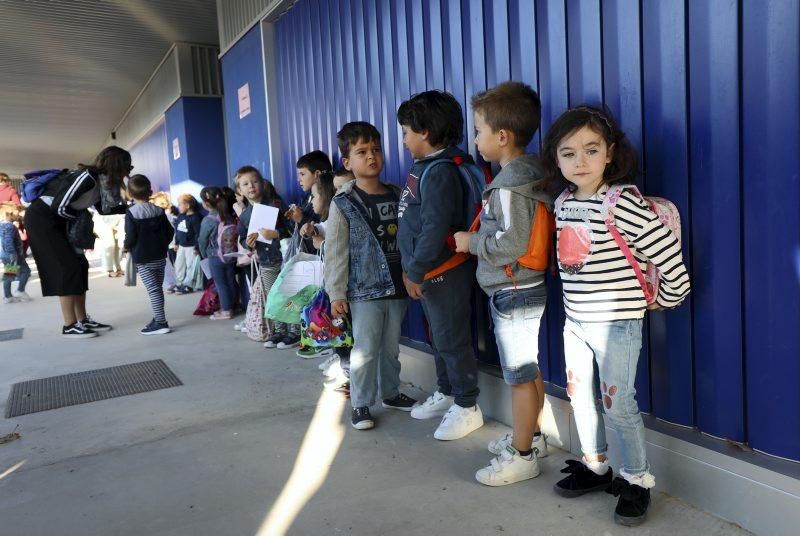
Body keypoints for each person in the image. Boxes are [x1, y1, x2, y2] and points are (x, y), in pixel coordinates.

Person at [542, 106, 691, 525]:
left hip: (618, 324)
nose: (581, 161)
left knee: (617, 404)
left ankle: (637, 479)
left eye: (591, 150)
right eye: (569, 153)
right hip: (575, 321)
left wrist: (674, 294)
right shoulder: (563, 202)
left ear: (610, 153)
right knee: (579, 395)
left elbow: (665, 251)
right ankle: (595, 466)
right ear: (556, 159)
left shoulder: (622, 202)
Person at [452, 81, 551, 485]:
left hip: (513, 291)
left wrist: (470, 242)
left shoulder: (510, 184)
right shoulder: (524, 176)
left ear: (502, 136)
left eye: (479, 131)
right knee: (528, 371)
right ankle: (535, 437)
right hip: (520, 289)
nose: (476, 140)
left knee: (519, 375)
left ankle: (522, 455)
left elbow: (512, 242)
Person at [396, 90, 483, 440]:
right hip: (429, 273)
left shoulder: (440, 172)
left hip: (444, 272)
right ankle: (447, 391)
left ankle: (466, 405)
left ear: (425, 133)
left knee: (451, 339)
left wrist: (414, 271)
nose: (403, 140)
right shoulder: (427, 168)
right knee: (439, 337)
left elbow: (434, 228)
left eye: (405, 132)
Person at [325, 122, 417, 430]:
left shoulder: (397, 194)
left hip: (397, 285)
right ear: (347, 162)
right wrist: (336, 293)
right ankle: (361, 403)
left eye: (376, 150)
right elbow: (336, 251)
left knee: (391, 347)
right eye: (362, 152)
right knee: (364, 349)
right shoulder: (343, 203)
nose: (371, 157)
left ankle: (390, 392)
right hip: (364, 291)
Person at [24, 146, 129, 338]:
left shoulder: (102, 182)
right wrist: (76, 221)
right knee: (67, 267)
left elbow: (104, 210)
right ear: (116, 165)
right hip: (43, 219)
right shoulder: (87, 177)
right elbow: (59, 205)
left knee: (80, 265)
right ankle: (69, 324)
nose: (127, 172)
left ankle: (82, 320)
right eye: (126, 167)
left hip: (60, 219)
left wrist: (131, 208)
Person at [235, 166, 299, 348]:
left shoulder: (277, 204)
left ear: (263, 184)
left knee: (289, 294)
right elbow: (242, 238)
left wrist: (276, 234)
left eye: (255, 181)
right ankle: (279, 331)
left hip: (286, 259)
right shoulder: (245, 216)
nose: (251, 186)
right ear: (240, 190)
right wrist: (250, 243)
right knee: (274, 296)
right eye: (245, 184)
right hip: (266, 261)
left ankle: (294, 332)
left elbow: (292, 227)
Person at [123, 175, 174, 335]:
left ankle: (161, 322)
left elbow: (130, 236)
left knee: (153, 290)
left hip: (143, 258)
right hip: (160, 255)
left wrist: (126, 247)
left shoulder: (131, 213)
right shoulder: (158, 210)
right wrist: (162, 244)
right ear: (149, 191)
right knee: (157, 289)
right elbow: (170, 231)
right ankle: (158, 318)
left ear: (130, 194)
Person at [295, 171, 338, 359]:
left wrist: (321, 244)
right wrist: (312, 229)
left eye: (315, 196)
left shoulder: (340, 220)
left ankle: (345, 368)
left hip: (339, 285)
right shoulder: (327, 221)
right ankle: (338, 358)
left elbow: (338, 247)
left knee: (339, 324)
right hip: (331, 283)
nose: (311, 201)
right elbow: (323, 227)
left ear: (327, 197)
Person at [198, 186, 238, 320]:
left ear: (205, 203)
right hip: (230, 254)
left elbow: (202, 240)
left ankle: (226, 310)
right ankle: (234, 305)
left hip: (215, 256)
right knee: (231, 280)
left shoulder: (208, 220)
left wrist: (204, 254)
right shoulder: (229, 216)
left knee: (221, 284)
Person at [285, 150, 332, 254]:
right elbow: (296, 233)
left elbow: (322, 229)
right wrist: (293, 219)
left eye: (302, 174)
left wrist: (302, 218)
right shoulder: (305, 199)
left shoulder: (327, 200)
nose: (298, 179)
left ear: (317, 174)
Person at [1, 203, 31, 303]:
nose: (17, 216)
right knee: (26, 271)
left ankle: (8, 296)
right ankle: (20, 290)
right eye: (15, 214)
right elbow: (8, 241)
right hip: (13, 255)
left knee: (9, 274)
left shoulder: (2, 225)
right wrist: (12, 254)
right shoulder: (9, 227)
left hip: (5, 255)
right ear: (8, 214)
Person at [172, 194, 202, 294]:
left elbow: (198, 234)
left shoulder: (195, 218)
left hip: (191, 247)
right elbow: (177, 230)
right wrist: (176, 243)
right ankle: (180, 283)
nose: (178, 207)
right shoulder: (180, 216)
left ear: (188, 205)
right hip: (181, 246)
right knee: (179, 265)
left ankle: (189, 285)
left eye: (180, 204)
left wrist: (197, 247)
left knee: (190, 266)